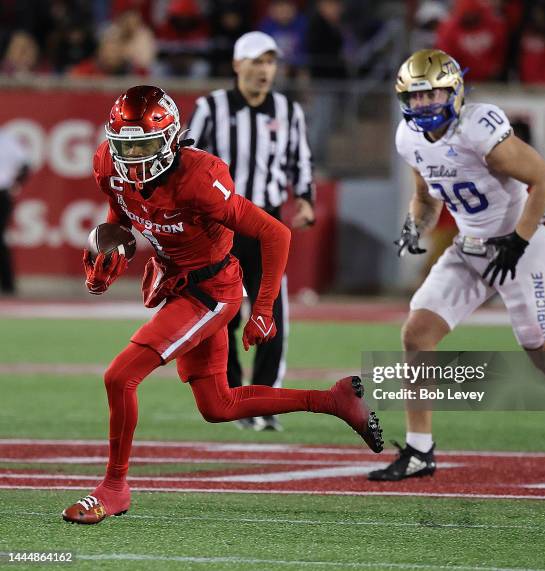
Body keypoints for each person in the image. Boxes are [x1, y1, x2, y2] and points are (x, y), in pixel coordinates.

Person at [61, 85, 382, 524]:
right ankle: (333, 400)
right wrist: (111, 249)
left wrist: (264, 309)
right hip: (178, 283)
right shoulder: (107, 164)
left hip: (212, 290)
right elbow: (123, 212)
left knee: (120, 377)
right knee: (219, 406)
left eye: (145, 143)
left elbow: (276, 233)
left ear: (172, 138)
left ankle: (114, 488)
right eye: (126, 145)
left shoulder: (198, 178)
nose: (134, 156)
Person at [368, 48, 545, 482]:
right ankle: (420, 451)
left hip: (521, 244)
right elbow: (425, 197)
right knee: (417, 334)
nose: (423, 106)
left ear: (455, 91)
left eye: (432, 95)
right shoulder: (409, 139)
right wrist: (414, 225)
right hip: (470, 245)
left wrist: (518, 240)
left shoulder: (478, 131)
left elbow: (544, 179)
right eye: (415, 98)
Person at [188, 31, 315, 432]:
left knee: (271, 312)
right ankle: (233, 397)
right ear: (237, 64)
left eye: (270, 62)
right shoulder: (211, 107)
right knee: (222, 314)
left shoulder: (287, 110)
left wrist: (306, 198)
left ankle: (265, 401)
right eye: (257, 61)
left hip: (267, 224)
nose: (264, 70)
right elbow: (187, 157)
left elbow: (301, 159)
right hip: (220, 225)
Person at [0, 128, 29, 295]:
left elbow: (25, 165)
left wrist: (15, 184)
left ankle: (7, 285)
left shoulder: (6, 140)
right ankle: (8, 285)